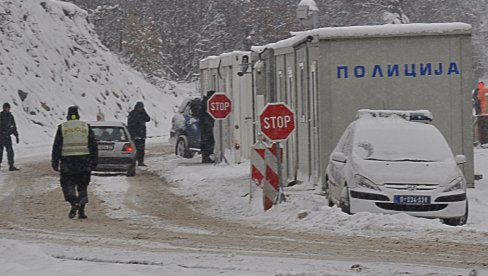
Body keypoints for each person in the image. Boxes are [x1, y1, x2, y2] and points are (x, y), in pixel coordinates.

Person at [51, 106, 98, 219]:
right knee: (82, 187)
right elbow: (93, 146)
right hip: (84, 162)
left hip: (67, 162)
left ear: (68, 116)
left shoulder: (63, 127)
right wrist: (95, 161)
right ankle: (81, 212)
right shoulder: (85, 127)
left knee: (67, 185)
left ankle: (73, 202)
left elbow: (57, 146)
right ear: (78, 115)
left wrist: (55, 162)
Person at [127, 101, 150, 166]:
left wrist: (144, 113)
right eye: (140, 107)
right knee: (134, 149)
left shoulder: (143, 113)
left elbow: (148, 119)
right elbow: (130, 124)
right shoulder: (132, 113)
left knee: (141, 149)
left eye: (142, 107)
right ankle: (133, 161)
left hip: (142, 134)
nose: (141, 108)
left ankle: (140, 162)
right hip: (135, 134)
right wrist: (132, 134)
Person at [0, 102, 20, 171]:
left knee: (10, 151)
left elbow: (14, 126)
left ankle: (11, 165)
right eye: (7, 108)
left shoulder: (10, 116)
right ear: (4, 108)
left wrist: (16, 135)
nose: (8, 109)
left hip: (7, 137)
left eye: (9, 108)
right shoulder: (1, 116)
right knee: (0, 151)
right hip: (1, 136)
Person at [199, 91, 216, 163]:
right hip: (207, 125)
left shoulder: (204, 102)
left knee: (205, 142)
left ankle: (205, 158)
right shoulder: (208, 102)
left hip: (204, 126)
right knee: (209, 142)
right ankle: (207, 158)